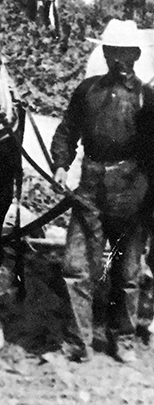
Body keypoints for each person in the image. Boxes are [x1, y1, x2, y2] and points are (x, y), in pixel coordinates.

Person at [50, 19, 154, 363]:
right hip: (90, 186)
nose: (118, 59)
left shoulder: (147, 98)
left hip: (131, 189)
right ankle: (78, 342)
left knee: (127, 273)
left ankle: (122, 339)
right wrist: (62, 165)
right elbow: (67, 131)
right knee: (75, 266)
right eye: (112, 52)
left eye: (125, 52)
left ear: (136, 55)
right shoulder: (88, 90)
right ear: (105, 53)